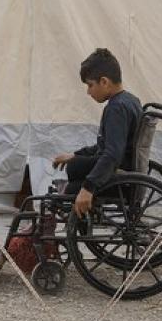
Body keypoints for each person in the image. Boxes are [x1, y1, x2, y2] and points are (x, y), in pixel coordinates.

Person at [53, 48, 142, 217]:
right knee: (74, 165)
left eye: (90, 85)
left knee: (73, 179)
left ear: (104, 82)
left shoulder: (116, 108)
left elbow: (112, 154)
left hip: (119, 177)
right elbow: (109, 144)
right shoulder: (130, 101)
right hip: (127, 169)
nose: (88, 92)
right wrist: (75, 154)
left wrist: (88, 188)